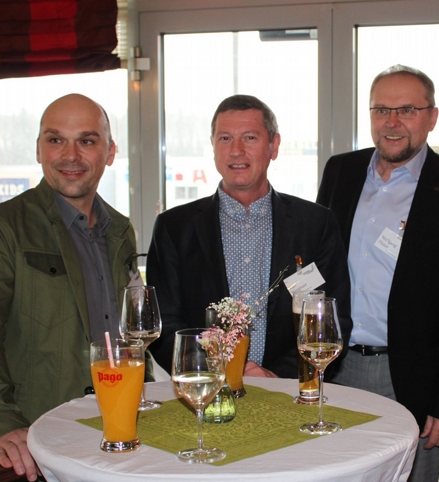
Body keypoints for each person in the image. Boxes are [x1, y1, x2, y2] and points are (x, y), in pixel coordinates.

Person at [0, 94, 138, 482]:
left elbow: (126, 332)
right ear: (38, 149)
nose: (70, 155)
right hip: (35, 455)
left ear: (109, 152)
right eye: (56, 140)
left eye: (86, 140)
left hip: (117, 451)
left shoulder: (121, 231)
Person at [316, 65, 439, 482]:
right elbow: (320, 266)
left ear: (431, 117)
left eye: (407, 110)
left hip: (409, 377)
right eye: (381, 110)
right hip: (336, 366)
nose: (392, 122)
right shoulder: (341, 172)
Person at [147, 94, 351, 378]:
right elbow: (163, 324)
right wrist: (221, 370)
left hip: (288, 389)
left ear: (273, 146)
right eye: (225, 139)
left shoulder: (315, 224)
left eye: (250, 138)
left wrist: (276, 378)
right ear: (213, 146)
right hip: (206, 387)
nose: (236, 151)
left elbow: (331, 321)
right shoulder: (174, 227)